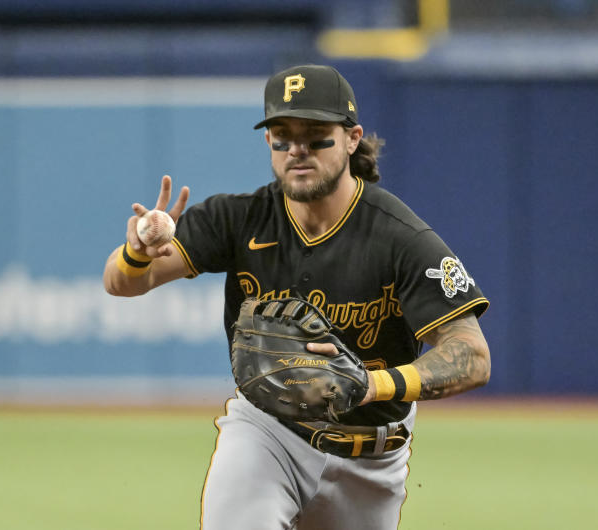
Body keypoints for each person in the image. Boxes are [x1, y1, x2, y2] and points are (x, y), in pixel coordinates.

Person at [103, 64, 491, 529]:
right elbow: (122, 283)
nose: (297, 149)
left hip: (373, 461)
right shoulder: (239, 218)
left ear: (352, 138)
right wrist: (137, 254)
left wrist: (375, 385)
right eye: (282, 136)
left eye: (315, 135)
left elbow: (472, 355)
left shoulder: (400, 238)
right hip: (268, 434)